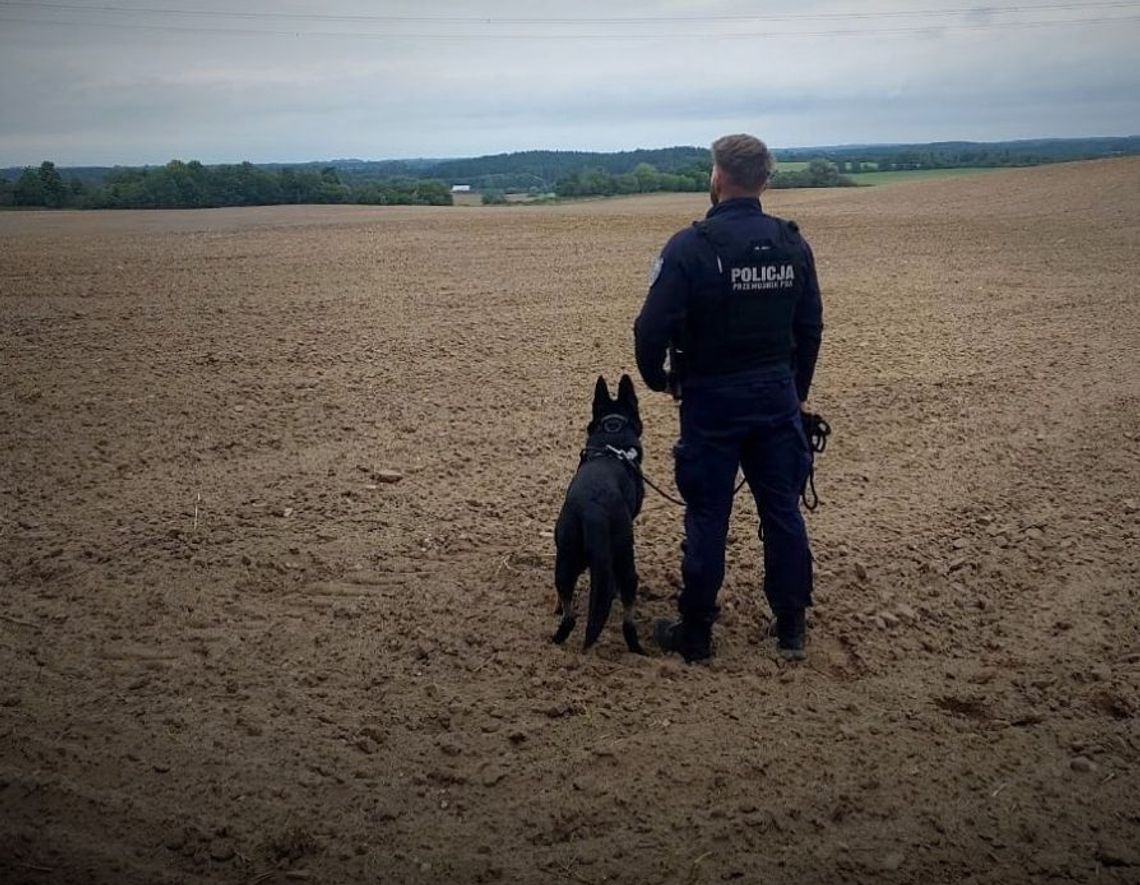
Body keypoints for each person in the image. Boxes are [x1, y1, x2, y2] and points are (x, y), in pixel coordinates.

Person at [633, 133, 823, 662]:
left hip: (710, 402)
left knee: (707, 515)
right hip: (776, 399)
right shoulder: (792, 244)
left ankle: (696, 633)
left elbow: (649, 330)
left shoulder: (689, 247)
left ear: (717, 177)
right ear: (765, 181)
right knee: (782, 511)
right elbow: (810, 328)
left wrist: (660, 381)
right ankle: (792, 628)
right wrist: (796, 395)